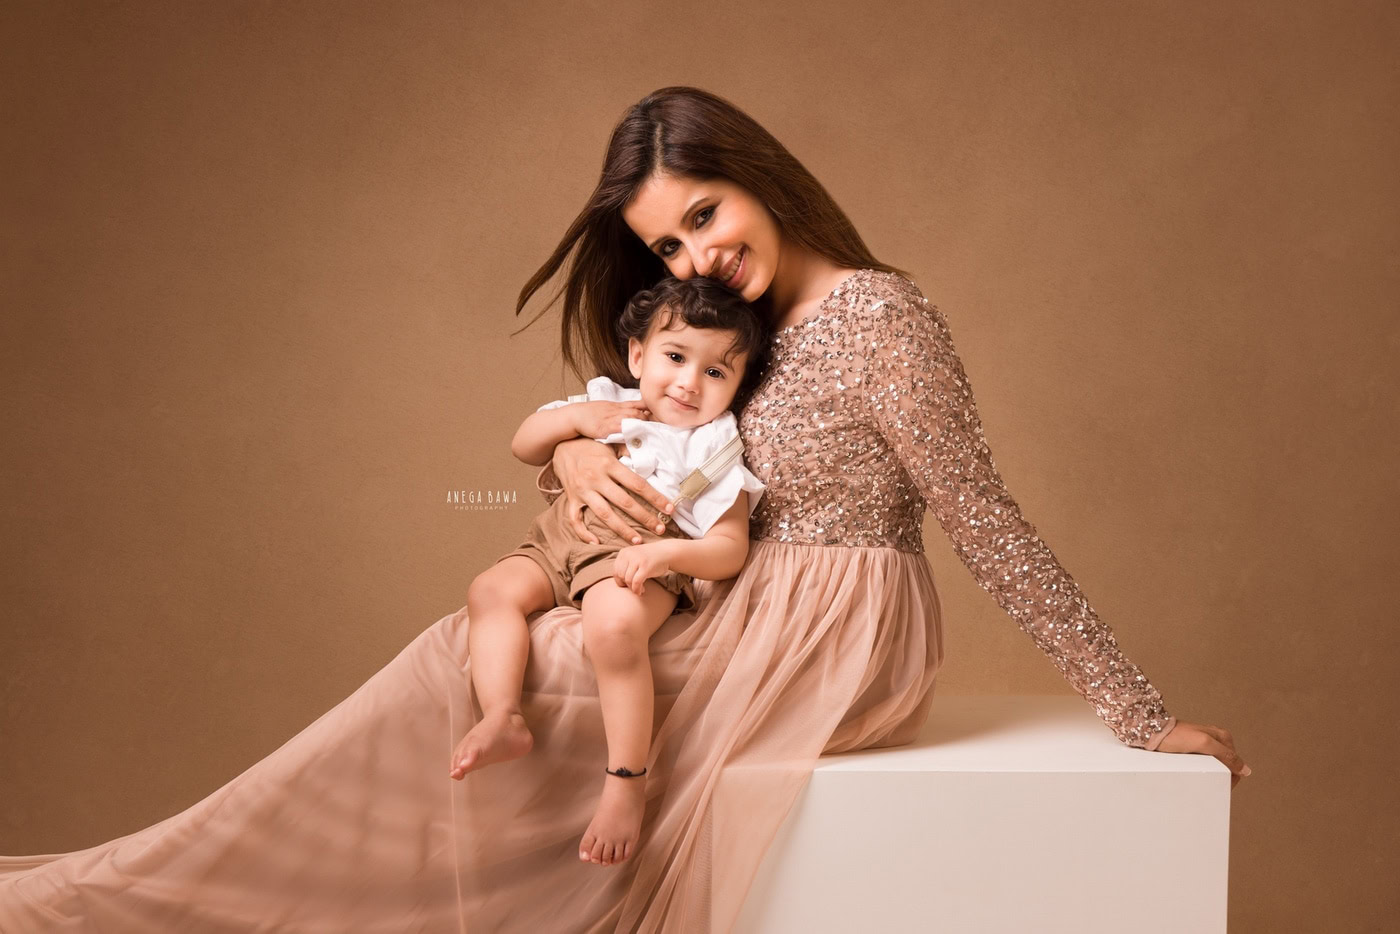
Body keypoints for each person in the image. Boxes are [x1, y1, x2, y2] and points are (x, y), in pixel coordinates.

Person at [0, 86, 1249, 933]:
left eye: (703, 215)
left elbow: (980, 514)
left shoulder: (880, 319)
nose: (695, 260)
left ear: (755, 176)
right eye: (668, 248)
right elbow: (675, 443)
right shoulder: (730, 334)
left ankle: (164, 893)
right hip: (719, 588)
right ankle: (163, 885)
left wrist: (1135, 713)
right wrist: (577, 469)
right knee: (473, 653)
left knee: (495, 671)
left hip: (830, 626)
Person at [449, 275, 769, 870]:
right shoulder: (606, 399)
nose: (688, 383)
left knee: (613, 627)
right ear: (638, 354)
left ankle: (625, 782)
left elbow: (729, 547)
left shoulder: (714, 446)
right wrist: (578, 421)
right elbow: (524, 444)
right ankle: (502, 715)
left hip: (639, 552)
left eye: (716, 372)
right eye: (675, 357)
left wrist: (667, 556)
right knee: (489, 592)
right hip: (558, 539)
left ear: (739, 382)